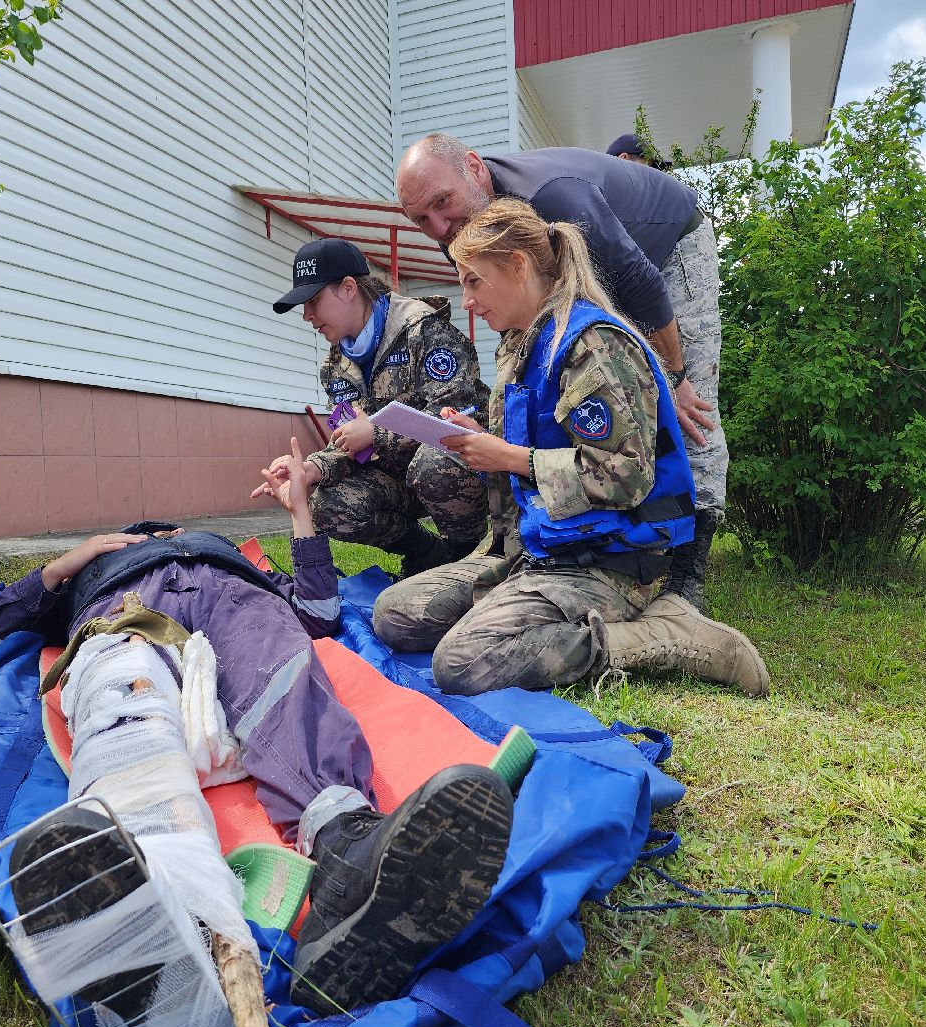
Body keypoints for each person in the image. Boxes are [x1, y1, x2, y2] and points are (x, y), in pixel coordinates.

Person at [0, 437, 512, 1019]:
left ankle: (347, 853)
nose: (161, 533)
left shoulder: (228, 556)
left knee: (284, 674)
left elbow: (319, 618)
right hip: (125, 604)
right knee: (123, 686)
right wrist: (68, 564)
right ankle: (142, 896)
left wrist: (300, 513)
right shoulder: (93, 567)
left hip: (236, 598)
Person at [371, 199, 767, 699]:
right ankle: (515, 612)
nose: (466, 300)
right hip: (539, 548)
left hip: (607, 560)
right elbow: (535, 443)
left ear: (518, 265)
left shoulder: (592, 345)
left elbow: (624, 476)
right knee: (394, 616)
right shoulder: (524, 344)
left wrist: (508, 457)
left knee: (461, 663)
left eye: (474, 281)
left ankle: (663, 632)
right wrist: (470, 441)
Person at [396, 133, 727, 610]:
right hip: (604, 267)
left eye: (442, 203)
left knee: (691, 412)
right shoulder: (469, 227)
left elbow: (638, 278)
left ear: (473, 166)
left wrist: (671, 375)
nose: (439, 226)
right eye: (421, 220)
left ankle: (685, 576)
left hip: (666, 247)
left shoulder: (553, 195)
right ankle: (561, 544)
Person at [256, 237, 489, 577]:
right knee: (327, 503)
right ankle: (428, 554)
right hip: (396, 479)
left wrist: (377, 434)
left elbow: (457, 422)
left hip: (454, 469)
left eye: (312, 301)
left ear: (348, 288)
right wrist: (312, 469)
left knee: (435, 462)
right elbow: (348, 435)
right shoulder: (335, 365)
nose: (307, 316)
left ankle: (468, 557)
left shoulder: (424, 332)